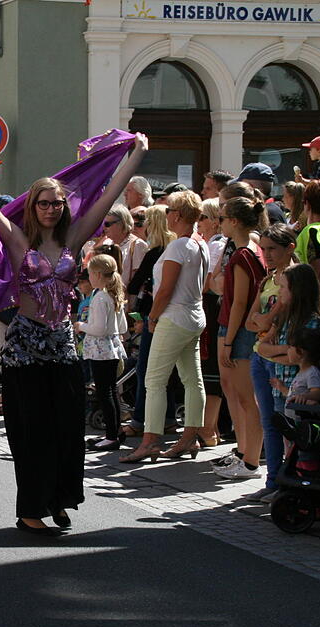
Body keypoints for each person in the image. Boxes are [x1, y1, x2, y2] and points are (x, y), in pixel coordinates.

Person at [0, 124, 149, 534]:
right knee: (32, 430)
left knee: (67, 428)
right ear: (33, 207)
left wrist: (138, 154)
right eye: (44, 203)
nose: (51, 209)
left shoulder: (74, 237)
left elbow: (110, 193)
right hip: (25, 346)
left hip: (61, 344)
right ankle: (30, 509)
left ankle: (60, 499)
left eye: (57, 203)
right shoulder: (19, 239)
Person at [119, 191, 209, 462]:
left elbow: (166, 288)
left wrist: (153, 318)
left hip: (173, 317)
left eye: (169, 210)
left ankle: (150, 441)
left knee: (154, 381)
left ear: (178, 215)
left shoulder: (179, 246)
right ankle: (188, 437)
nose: (166, 214)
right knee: (192, 380)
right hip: (192, 316)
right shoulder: (198, 243)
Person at [244, 226, 304, 497]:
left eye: (272, 249)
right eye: (264, 248)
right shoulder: (267, 280)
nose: (266, 255)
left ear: (289, 248)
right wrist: (261, 321)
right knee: (267, 420)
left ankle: (289, 482)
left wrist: (262, 321)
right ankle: (272, 482)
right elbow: (250, 322)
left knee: (284, 422)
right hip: (260, 354)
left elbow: (267, 320)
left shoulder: (295, 280)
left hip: (280, 358)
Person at [212, 197, 268, 480]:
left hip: (239, 332)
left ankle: (251, 462)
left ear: (234, 221)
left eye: (221, 218)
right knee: (245, 398)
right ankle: (246, 453)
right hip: (243, 330)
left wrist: (229, 340)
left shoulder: (242, 254)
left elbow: (238, 303)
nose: (219, 223)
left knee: (248, 400)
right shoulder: (254, 250)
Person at [123, 205, 178, 438]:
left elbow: (134, 285)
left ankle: (140, 420)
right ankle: (168, 419)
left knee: (147, 368)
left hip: (154, 315)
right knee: (171, 371)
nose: (142, 226)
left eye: (145, 221)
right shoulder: (175, 248)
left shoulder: (156, 252)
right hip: (174, 315)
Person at [76, 253, 128, 450]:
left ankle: (111, 435)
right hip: (112, 347)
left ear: (97, 274)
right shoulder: (113, 294)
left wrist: (81, 325)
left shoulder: (99, 297)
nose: (88, 277)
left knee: (105, 392)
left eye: (89, 273)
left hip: (101, 350)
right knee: (111, 390)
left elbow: (98, 329)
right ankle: (116, 431)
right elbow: (121, 326)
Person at [197, 198, 225, 446]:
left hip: (211, 309)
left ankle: (208, 430)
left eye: (203, 216)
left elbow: (207, 283)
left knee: (210, 372)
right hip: (207, 308)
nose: (199, 221)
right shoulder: (209, 243)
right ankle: (210, 429)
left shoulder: (216, 245)